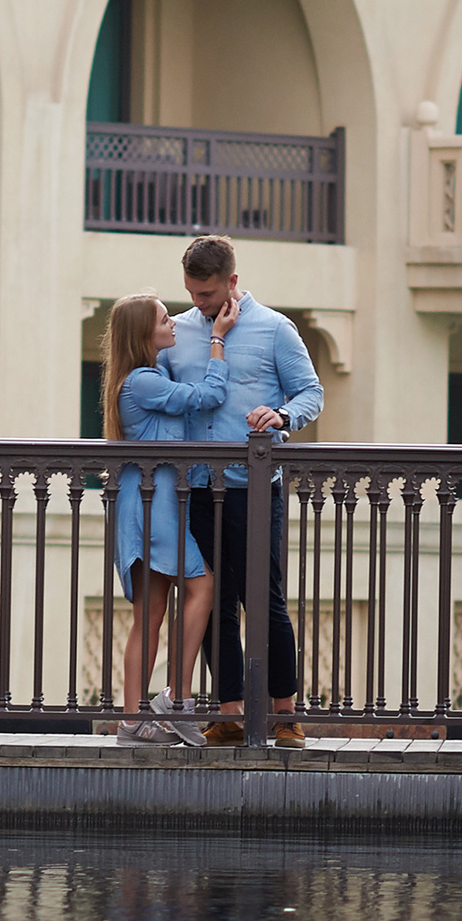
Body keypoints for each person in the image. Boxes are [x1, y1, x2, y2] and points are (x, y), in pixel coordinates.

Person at [165, 235, 323, 748]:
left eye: (207, 294)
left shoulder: (276, 329)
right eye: (192, 293)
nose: (199, 304)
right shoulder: (179, 331)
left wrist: (282, 416)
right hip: (196, 489)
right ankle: (228, 713)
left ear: (232, 281)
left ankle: (285, 715)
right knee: (212, 602)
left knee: (266, 601)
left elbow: (311, 393)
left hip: (255, 489)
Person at [102, 289, 235, 745]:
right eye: (163, 319)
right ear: (145, 332)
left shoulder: (146, 375)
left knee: (151, 613)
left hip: (146, 503)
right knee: (203, 586)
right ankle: (176, 699)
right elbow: (211, 395)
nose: (173, 323)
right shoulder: (143, 382)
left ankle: (135, 719)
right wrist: (217, 340)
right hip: (153, 505)